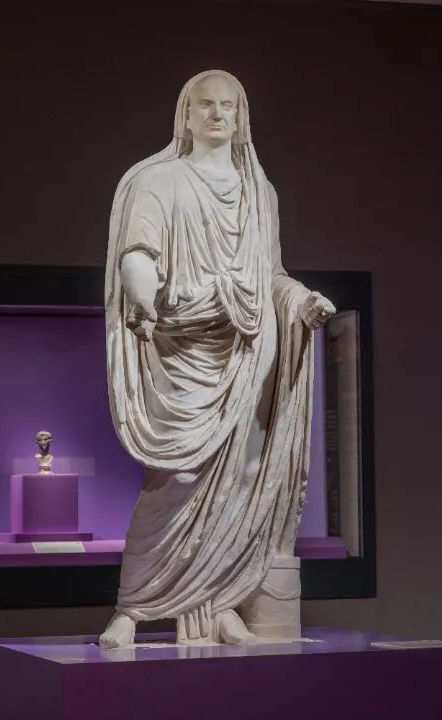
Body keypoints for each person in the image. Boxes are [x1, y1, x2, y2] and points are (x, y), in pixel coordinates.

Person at [99, 70, 335, 648]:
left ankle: (222, 602)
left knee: (244, 477)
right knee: (177, 477)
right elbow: (138, 253)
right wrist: (142, 296)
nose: (217, 114)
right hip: (184, 344)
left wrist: (301, 300)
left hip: (247, 348)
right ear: (186, 114)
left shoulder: (259, 193)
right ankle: (133, 606)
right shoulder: (158, 181)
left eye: (228, 105)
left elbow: (269, 274)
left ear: (240, 115)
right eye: (205, 104)